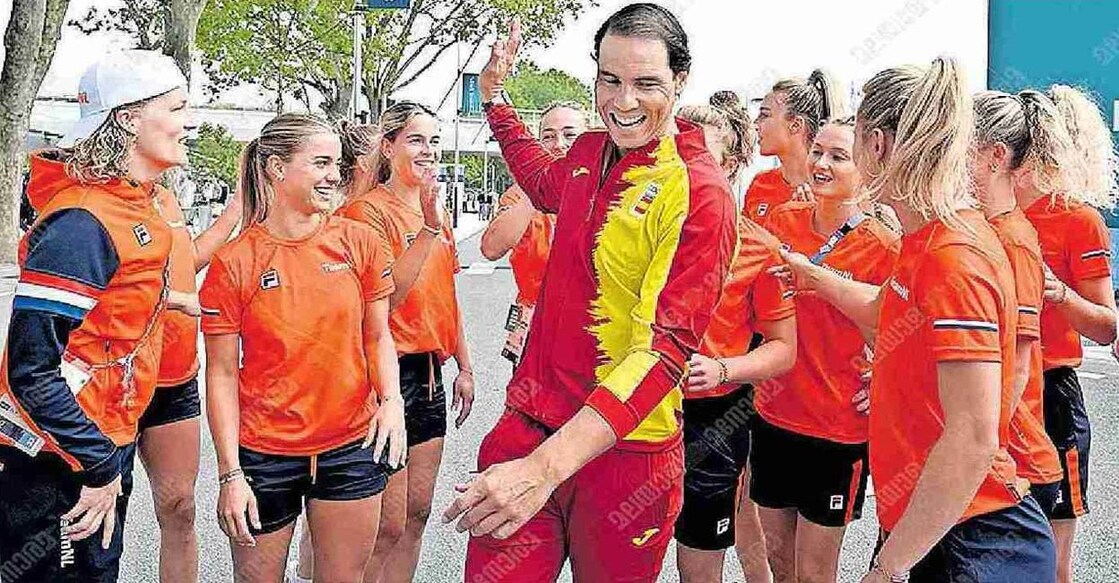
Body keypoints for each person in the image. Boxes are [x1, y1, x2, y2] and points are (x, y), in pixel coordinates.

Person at [444, 6, 737, 581]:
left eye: (646, 83)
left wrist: (544, 469)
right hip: (527, 425)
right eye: (610, 80)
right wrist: (495, 102)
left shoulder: (701, 191)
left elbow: (664, 353)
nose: (624, 101)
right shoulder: (587, 152)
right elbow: (541, 179)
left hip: (624, 455)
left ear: (680, 80)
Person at [773, 57, 1057, 582]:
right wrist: (815, 278)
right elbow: (890, 311)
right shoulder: (926, 239)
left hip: (972, 537)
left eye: (853, 141)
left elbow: (972, 438)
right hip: (937, 521)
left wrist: (887, 568)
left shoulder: (952, 257)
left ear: (876, 146)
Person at [0, 49, 186, 582]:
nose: (186, 122)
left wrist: (167, 302)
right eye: (175, 109)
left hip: (98, 440)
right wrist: (100, 465)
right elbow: (30, 370)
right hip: (61, 459)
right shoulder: (83, 221)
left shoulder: (132, 203)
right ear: (128, 117)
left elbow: (105, 310)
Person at [199, 113, 407, 583]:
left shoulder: (360, 242)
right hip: (264, 456)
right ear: (276, 168)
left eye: (336, 162)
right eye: (320, 163)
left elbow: (377, 336)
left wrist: (392, 401)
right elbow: (221, 375)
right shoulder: (235, 262)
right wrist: (230, 474)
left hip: (352, 446)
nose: (334, 174)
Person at [751, 117, 899, 583]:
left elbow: (902, 330)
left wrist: (886, 379)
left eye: (839, 156)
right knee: (779, 559)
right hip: (773, 414)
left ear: (866, 168)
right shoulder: (782, 221)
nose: (821, 163)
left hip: (837, 429)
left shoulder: (884, 246)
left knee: (815, 572)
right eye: (818, 151)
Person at [335, 101, 475, 583]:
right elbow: (387, 295)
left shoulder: (433, 210)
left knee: (417, 513)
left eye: (434, 141)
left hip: (432, 374)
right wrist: (429, 230)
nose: (428, 150)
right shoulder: (364, 213)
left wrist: (466, 365)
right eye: (416, 140)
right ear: (389, 146)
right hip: (385, 373)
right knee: (386, 524)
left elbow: (447, 295)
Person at [674, 92, 789, 583]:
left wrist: (722, 369)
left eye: (704, 160)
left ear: (734, 164)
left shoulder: (761, 249)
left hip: (716, 416)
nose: (689, 173)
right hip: (636, 409)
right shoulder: (637, 234)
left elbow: (785, 349)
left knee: (699, 561)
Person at [1022, 84, 1118, 583]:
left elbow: (1107, 327)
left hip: (1052, 394)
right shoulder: (987, 212)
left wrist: (1057, 293)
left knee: (1051, 555)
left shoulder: (1078, 220)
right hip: (993, 391)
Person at [137, 146, 244, 583]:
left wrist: (237, 207)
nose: (185, 129)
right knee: (98, 510)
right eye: (175, 112)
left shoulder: (164, 197)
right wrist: (176, 301)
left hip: (175, 377)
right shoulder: (97, 201)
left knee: (179, 508)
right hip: (116, 383)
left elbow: (188, 262)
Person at [972, 90, 1069, 527]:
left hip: (1015, 464)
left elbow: (1019, 364)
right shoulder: (982, 231)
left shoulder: (1013, 240)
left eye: (958, 146)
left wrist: (976, 448)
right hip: (987, 458)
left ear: (995, 156)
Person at [480, 101, 589, 366]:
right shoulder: (519, 195)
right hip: (534, 325)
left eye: (569, 134)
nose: (559, 144)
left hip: (589, 327)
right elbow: (491, 248)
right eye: (548, 136)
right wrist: (537, 186)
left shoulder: (605, 188)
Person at [747, 69, 844, 222]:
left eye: (764, 115)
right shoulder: (760, 184)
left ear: (796, 124)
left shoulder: (833, 191)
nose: (755, 124)